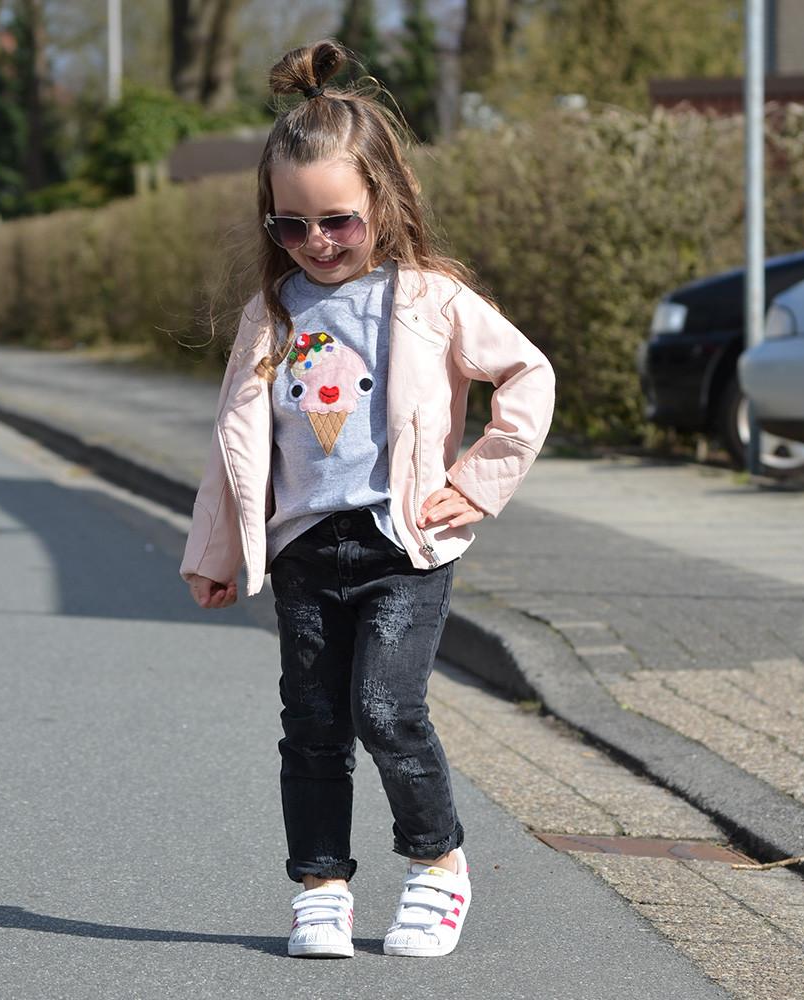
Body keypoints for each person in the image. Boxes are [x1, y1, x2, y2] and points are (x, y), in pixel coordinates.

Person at [180, 39, 555, 960]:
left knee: (387, 711)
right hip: (306, 552)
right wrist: (217, 554)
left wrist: (479, 481)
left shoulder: (430, 298)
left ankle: (437, 865)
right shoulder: (271, 317)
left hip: (402, 546)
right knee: (310, 725)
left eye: (339, 222)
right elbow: (237, 441)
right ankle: (321, 884)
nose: (317, 243)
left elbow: (528, 376)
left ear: (385, 201)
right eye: (292, 226)